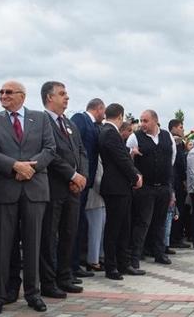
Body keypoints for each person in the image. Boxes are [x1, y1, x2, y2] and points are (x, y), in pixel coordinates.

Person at [0, 81, 56, 316]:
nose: (3, 95)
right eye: (1, 92)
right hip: (5, 188)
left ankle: (33, 294)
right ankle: (0, 295)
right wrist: (15, 166)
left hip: (34, 189)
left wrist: (30, 168)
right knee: (3, 245)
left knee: (34, 243)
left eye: (8, 92)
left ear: (22, 96)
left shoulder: (41, 119)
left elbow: (50, 148)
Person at [40, 81, 89, 299]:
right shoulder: (41, 122)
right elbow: (50, 155)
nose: (66, 97)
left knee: (70, 233)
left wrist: (82, 176)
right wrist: (72, 175)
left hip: (74, 190)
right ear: (49, 98)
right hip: (53, 188)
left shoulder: (70, 124)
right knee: (50, 236)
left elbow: (82, 152)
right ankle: (48, 282)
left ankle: (65, 276)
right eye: (62, 94)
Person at [99, 103, 143, 280]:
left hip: (120, 187)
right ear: (120, 116)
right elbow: (121, 159)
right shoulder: (109, 133)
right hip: (115, 187)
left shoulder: (108, 132)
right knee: (114, 229)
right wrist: (136, 176)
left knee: (124, 227)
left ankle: (123, 264)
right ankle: (111, 267)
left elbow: (123, 154)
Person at [126, 110, 175, 268]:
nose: (142, 124)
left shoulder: (167, 137)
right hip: (145, 188)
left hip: (163, 187)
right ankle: (135, 257)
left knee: (160, 222)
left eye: (145, 121)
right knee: (142, 222)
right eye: (141, 120)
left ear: (155, 121)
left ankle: (159, 253)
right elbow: (127, 159)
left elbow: (171, 158)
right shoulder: (135, 137)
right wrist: (132, 156)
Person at [70, 98, 105, 277]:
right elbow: (75, 147)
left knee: (79, 224)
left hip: (85, 183)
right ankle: (72, 265)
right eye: (103, 111)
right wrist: (77, 175)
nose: (104, 115)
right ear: (99, 108)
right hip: (77, 181)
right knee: (75, 225)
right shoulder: (80, 119)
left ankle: (76, 264)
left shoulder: (93, 125)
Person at [168, 119, 191, 248]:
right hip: (175, 180)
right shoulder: (173, 141)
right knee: (175, 210)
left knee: (180, 210)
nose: (183, 130)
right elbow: (178, 162)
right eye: (181, 127)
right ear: (174, 128)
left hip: (179, 180)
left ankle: (177, 236)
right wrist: (183, 179)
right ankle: (173, 238)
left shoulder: (180, 143)